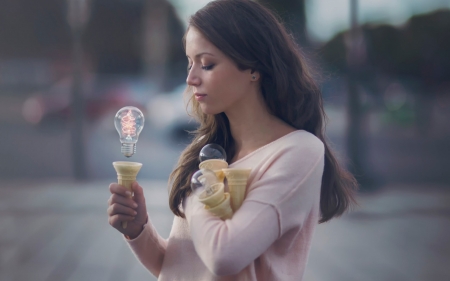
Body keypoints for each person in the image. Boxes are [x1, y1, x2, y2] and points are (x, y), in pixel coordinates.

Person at [107, 0, 357, 280]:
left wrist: (200, 188)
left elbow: (223, 256)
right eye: (190, 63)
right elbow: (180, 268)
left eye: (207, 64)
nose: (191, 78)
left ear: (253, 68)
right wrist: (138, 230)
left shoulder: (298, 152)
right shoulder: (207, 150)